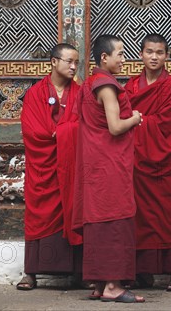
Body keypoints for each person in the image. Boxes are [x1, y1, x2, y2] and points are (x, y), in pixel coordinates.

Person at [72, 34, 145, 303]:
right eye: (120, 54)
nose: (124, 60)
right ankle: (113, 286)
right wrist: (135, 118)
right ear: (105, 57)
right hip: (111, 163)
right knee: (116, 219)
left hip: (95, 162)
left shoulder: (90, 82)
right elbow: (115, 127)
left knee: (98, 220)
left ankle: (100, 283)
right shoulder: (106, 85)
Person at [125, 34, 171, 291]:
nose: (154, 57)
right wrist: (137, 119)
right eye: (149, 51)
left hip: (169, 163)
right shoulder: (131, 87)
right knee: (140, 216)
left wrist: (139, 119)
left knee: (170, 215)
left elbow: (169, 125)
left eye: (160, 52)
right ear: (141, 54)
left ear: (167, 56)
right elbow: (121, 118)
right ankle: (143, 272)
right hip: (138, 162)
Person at [17, 44, 82, 290]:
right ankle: (31, 273)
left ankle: (78, 271)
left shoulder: (80, 92)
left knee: (74, 213)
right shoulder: (35, 93)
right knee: (39, 215)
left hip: (71, 167)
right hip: (43, 169)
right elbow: (31, 130)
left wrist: (63, 133)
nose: (73, 66)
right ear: (54, 62)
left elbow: (86, 125)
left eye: (76, 62)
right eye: (69, 61)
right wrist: (61, 133)